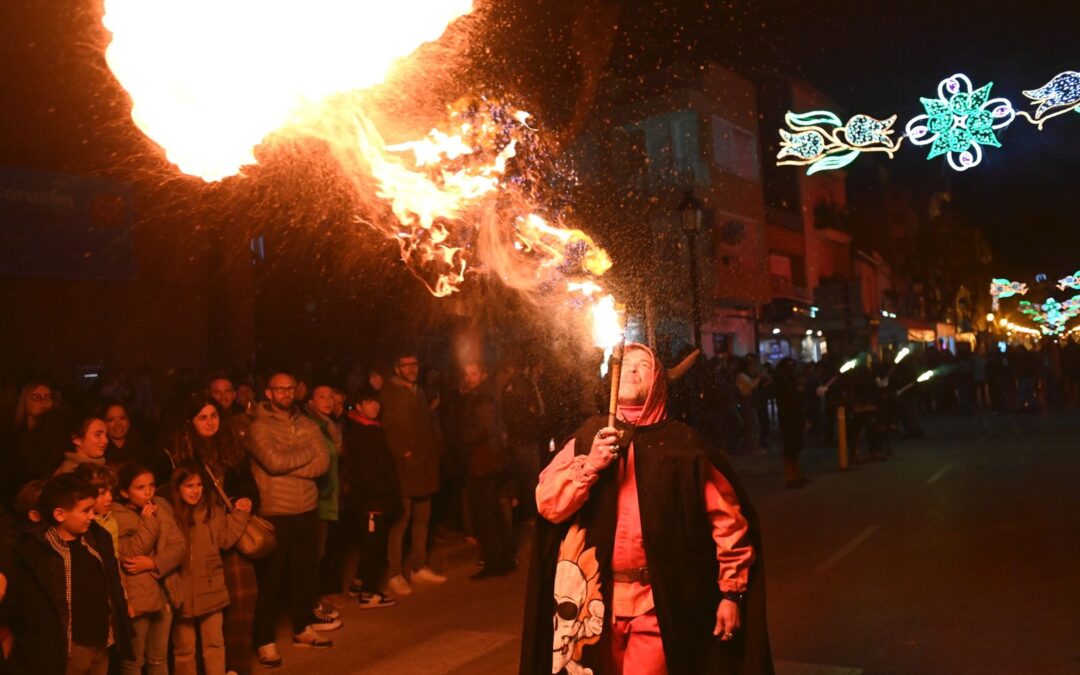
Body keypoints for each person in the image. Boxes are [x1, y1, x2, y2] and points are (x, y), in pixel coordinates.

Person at [521, 343, 772, 675]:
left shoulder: (684, 447)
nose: (632, 369)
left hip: (660, 602)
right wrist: (591, 465)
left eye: (643, 364)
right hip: (593, 604)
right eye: (625, 363)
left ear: (658, 383)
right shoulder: (588, 438)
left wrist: (731, 593)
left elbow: (729, 526)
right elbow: (549, 505)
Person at [164, 396, 260, 675]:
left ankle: (235, 668)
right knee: (196, 612)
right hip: (199, 536)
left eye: (214, 416)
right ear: (190, 422)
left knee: (242, 600)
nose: (210, 422)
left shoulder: (231, 449)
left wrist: (244, 503)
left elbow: (250, 487)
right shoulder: (181, 455)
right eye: (202, 417)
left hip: (231, 529)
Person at [2, 474, 134, 675]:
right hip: (65, 652)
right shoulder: (34, 553)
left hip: (101, 643)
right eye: (85, 510)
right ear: (60, 514)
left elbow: (112, 583)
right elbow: (23, 608)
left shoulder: (98, 540)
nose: (92, 516)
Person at [248, 371, 335, 668]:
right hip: (276, 512)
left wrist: (289, 464)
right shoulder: (258, 427)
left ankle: (301, 628)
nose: (285, 393)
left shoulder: (309, 424)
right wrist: (303, 455)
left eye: (289, 389)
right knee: (271, 580)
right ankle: (264, 640)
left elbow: (323, 462)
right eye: (279, 389)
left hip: (306, 508)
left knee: (304, 574)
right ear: (269, 393)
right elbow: (273, 462)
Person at [167, 463, 252, 675]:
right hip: (182, 591)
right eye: (189, 486)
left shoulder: (213, 513)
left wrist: (240, 516)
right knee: (184, 649)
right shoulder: (169, 516)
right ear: (178, 489)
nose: (195, 491)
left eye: (199, 485)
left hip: (211, 587)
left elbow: (225, 540)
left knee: (214, 643)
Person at [380, 352, 446, 596]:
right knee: (401, 522)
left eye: (414, 364)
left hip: (425, 464)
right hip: (406, 467)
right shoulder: (391, 392)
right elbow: (389, 429)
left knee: (422, 518)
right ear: (397, 368)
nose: (411, 368)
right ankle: (394, 573)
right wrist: (403, 454)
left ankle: (419, 566)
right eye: (405, 365)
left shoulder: (418, 390)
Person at [112, 462, 186, 675]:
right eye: (140, 487)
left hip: (165, 590)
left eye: (151, 485)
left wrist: (154, 563)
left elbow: (179, 545)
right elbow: (129, 553)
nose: (148, 492)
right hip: (138, 595)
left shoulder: (160, 506)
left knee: (159, 657)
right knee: (134, 660)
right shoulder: (117, 515)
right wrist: (148, 523)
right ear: (124, 492)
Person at [341, 385, 401, 609]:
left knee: (373, 544)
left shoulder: (373, 428)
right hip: (370, 500)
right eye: (368, 402)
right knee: (373, 545)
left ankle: (361, 583)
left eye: (376, 402)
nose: (374, 406)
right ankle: (369, 593)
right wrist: (381, 491)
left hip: (378, 498)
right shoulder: (360, 433)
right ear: (358, 406)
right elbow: (364, 472)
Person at [460, 361, 515, 579]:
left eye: (473, 373)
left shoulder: (482, 398)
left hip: (484, 462)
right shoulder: (484, 395)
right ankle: (504, 558)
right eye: (467, 373)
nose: (469, 377)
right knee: (494, 511)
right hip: (490, 460)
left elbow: (483, 429)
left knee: (486, 514)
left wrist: (463, 437)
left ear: (483, 374)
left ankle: (495, 562)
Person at [304, 383, 346, 623]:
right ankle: (309, 607)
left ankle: (314, 602)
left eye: (331, 395)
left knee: (321, 553)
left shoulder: (331, 426)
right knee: (313, 555)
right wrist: (323, 490)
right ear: (311, 401)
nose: (328, 400)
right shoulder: (313, 426)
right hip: (318, 499)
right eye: (321, 396)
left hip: (330, 497)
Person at [772, 359, 810, 489]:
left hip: (795, 416)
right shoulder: (783, 384)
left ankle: (795, 475)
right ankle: (790, 477)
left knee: (796, 446)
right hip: (789, 417)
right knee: (791, 447)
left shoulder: (790, 383)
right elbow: (791, 400)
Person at [72, 463, 120, 555]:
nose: (110, 497)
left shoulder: (110, 518)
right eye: (102, 493)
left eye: (111, 491)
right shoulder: (82, 526)